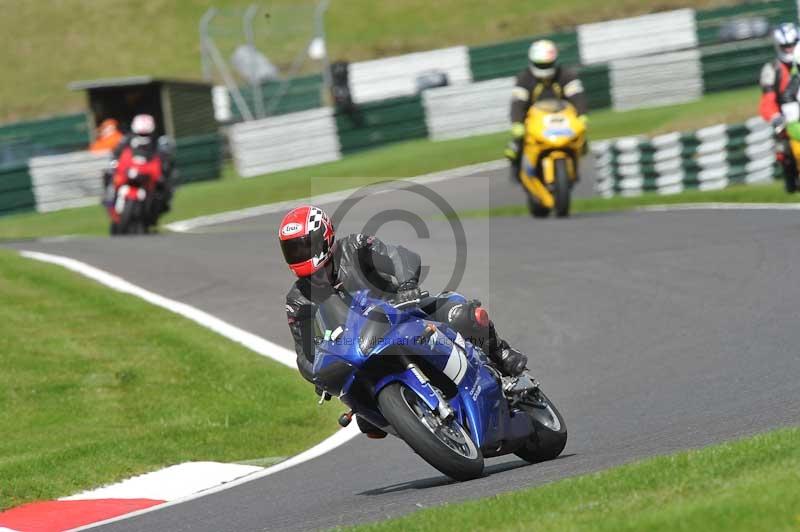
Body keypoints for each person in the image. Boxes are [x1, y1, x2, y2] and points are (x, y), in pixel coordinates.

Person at [280, 205, 528, 436]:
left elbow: (400, 257)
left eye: (304, 246)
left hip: (404, 311)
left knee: (461, 314)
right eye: (291, 249)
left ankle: (500, 353)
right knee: (367, 421)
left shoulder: (354, 247)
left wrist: (408, 284)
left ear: (324, 237)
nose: (298, 254)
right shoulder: (298, 299)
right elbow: (305, 353)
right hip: (361, 348)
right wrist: (318, 374)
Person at [504, 39, 588, 181]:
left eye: (547, 65)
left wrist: (582, 114)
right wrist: (517, 123)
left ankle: (574, 166)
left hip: (562, 117)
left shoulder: (566, 75)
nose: (544, 68)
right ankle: (518, 171)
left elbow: (577, 95)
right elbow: (517, 102)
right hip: (534, 119)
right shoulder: (524, 78)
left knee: (582, 139)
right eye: (540, 65)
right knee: (513, 148)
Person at [102, 114, 175, 225]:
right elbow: (116, 153)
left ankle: (158, 209)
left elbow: (163, 157)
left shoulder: (157, 141)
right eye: (140, 133)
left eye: (145, 133)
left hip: (147, 173)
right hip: (129, 170)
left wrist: (163, 167)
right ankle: (109, 199)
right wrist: (114, 164)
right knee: (109, 176)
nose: (143, 136)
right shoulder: (126, 140)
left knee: (164, 185)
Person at [760, 23, 800, 193]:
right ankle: (791, 179)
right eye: (786, 46)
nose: (790, 49)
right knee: (782, 148)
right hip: (788, 117)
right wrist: (775, 116)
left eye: (793, 44)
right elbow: (767, 101)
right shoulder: (772, 70)